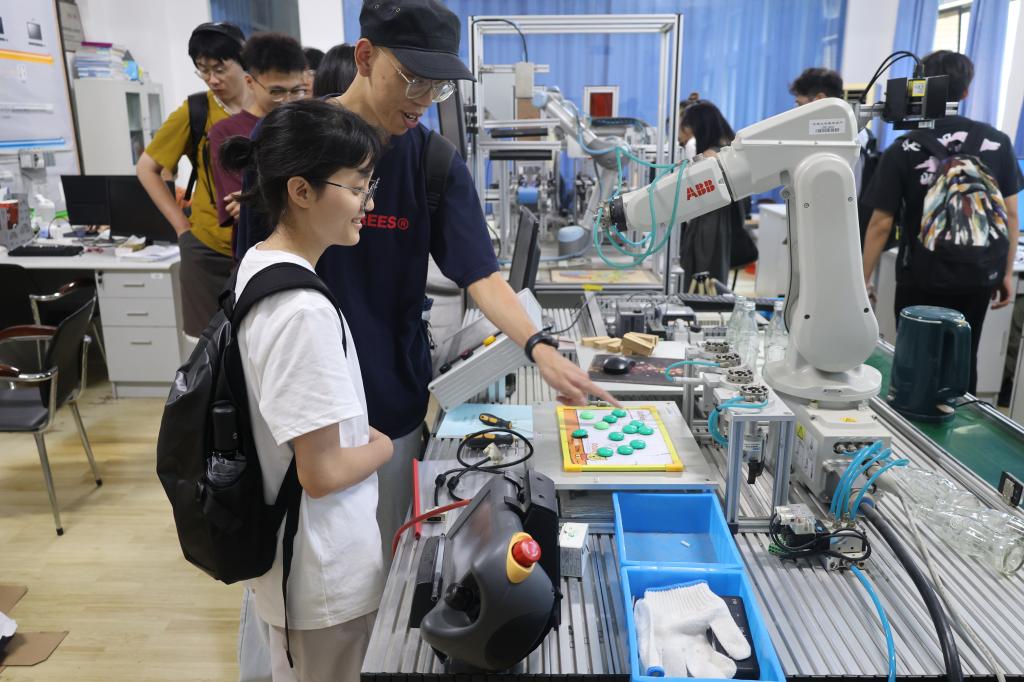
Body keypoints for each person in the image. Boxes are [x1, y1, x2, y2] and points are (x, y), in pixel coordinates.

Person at [235, 0, 617, 565]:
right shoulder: (291, 140)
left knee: (382, 567)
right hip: (293, 411)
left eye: (438, 87)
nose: (423, 100)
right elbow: (252, 274)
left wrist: (539, 348)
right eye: (413, 79)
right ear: (366, 56)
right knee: (291, 570)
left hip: (388, 402)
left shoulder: (433, 162)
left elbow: (480, 273)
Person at [220, 98, 390, 682]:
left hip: (300, 566)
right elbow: (320, 472)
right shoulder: (301, 311)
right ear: (301, 191)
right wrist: (383, 447)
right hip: (323, 574)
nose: (368, 203)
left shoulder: (260, 263)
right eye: (357, 187)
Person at [862, 50, 1023, 394]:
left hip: (921, 275)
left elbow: (880, 225)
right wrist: (1005, 273)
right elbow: (1011, 214)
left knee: (915, 358)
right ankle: (959, 415)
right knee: (963, 356)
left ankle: (911, 415)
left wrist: (862, 280)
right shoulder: (997, 142)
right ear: (965, 91)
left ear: (920, 89)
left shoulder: (905, 147)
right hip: (978, 274)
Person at [136, 22, 252, 337]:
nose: (212, 79)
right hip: (208, 250)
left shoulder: (266, 105)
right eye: (203, 70)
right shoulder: (196, 110)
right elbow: (147, 168)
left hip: (261, 246)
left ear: (242, 61)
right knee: (206, 349)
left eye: (220, 69)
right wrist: (181, 229)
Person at [208, 33, 308, 236]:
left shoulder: (309, 123)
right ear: (250, 82)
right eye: (276, 91)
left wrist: (258, 195)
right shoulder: (226, 132)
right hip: (257, 240)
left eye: (296, 90)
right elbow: (238, 205)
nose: (287, 100)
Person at [677, 100, 746, 289]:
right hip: (721, 223)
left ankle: (698, 305)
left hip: (707, 222)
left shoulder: (709, 156)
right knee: (714, 275)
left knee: (700, 275)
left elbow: (691, 191)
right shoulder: (729, 149)